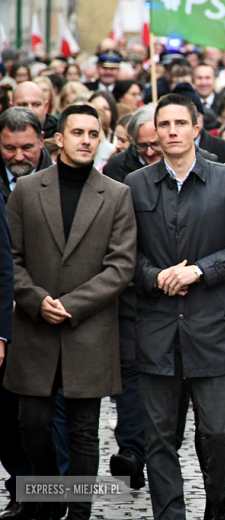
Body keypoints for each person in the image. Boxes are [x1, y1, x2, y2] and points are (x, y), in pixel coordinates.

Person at [124, 93, 225, 520]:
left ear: (196, 127)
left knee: (221, 432)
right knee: (159, 436)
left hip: (215, 327)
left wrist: (199, 271)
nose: (171, 132)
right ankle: (170, 514)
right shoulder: (135, 185)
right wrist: (153, 276)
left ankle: (217, 508)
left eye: (179, 123)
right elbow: (124, 254)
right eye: (163, 124)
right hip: (156, 329)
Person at [4, 103, 137, 520]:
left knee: (83, 431)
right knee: (32, 424)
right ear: (58, 140)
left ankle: (78, 512)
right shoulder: (27, 190)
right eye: (77, 133)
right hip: (34, 327)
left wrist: (71, 305)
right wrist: (35, 299)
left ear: (101, 140)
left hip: (89, 329)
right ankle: (48, 498)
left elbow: (121, 266)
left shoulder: (117, 194)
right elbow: (10, 257)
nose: (85, 140)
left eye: (93, 134)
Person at [0, 112, 31, 520]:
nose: (18, 155)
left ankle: (42, 493)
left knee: (25, 420)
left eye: (26, 146)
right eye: (9, 148)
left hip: (36, 317)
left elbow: (4, 265)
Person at [170, 83, 225, 164]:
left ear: (201, 117)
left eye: (195, 116)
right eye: (180, 121)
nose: (191, 122)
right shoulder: (160, 150)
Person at [0, 107, 53, 202]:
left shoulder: (59, 182)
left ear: (41, 140)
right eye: (10, 148)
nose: (19, 157)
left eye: (27, 148)